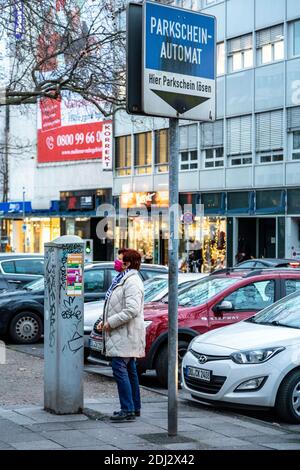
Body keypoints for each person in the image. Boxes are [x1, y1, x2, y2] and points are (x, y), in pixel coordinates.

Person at [97, 248, 145, 422]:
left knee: (119, 368)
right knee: (130, 370)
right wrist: (104, 320)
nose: (116, 262)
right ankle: (134, 407)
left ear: (128, 263)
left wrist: (110, 323)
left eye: (119, 259)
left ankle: (127, 409)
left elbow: (131, 309)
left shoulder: (132, 281)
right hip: (123, 333)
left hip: (126, 333)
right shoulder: (123, 279)